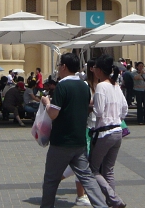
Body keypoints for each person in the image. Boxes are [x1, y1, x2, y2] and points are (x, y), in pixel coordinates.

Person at [39, 53, 108, 208]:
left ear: (64, 67)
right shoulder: (84, 86)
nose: (58, 69)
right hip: (80, 141)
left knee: (51, 180)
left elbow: (53, 114)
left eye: (59, 66)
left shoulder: (62, 86)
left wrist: (47, 102)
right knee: (87, 178)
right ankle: (101, 206)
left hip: (62, 141)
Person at [88, 55, 128, 208]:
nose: (93, 71)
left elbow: (98, 111)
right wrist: (115, 117)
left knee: (93, 169)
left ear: (99, 70)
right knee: (109, 170)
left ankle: (114, 199)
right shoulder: (115, 85)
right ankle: (112, 202)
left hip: (104, 133)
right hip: (117, 130)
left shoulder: (101, 86)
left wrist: (90, 106)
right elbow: (124, 109)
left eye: (94, 68)